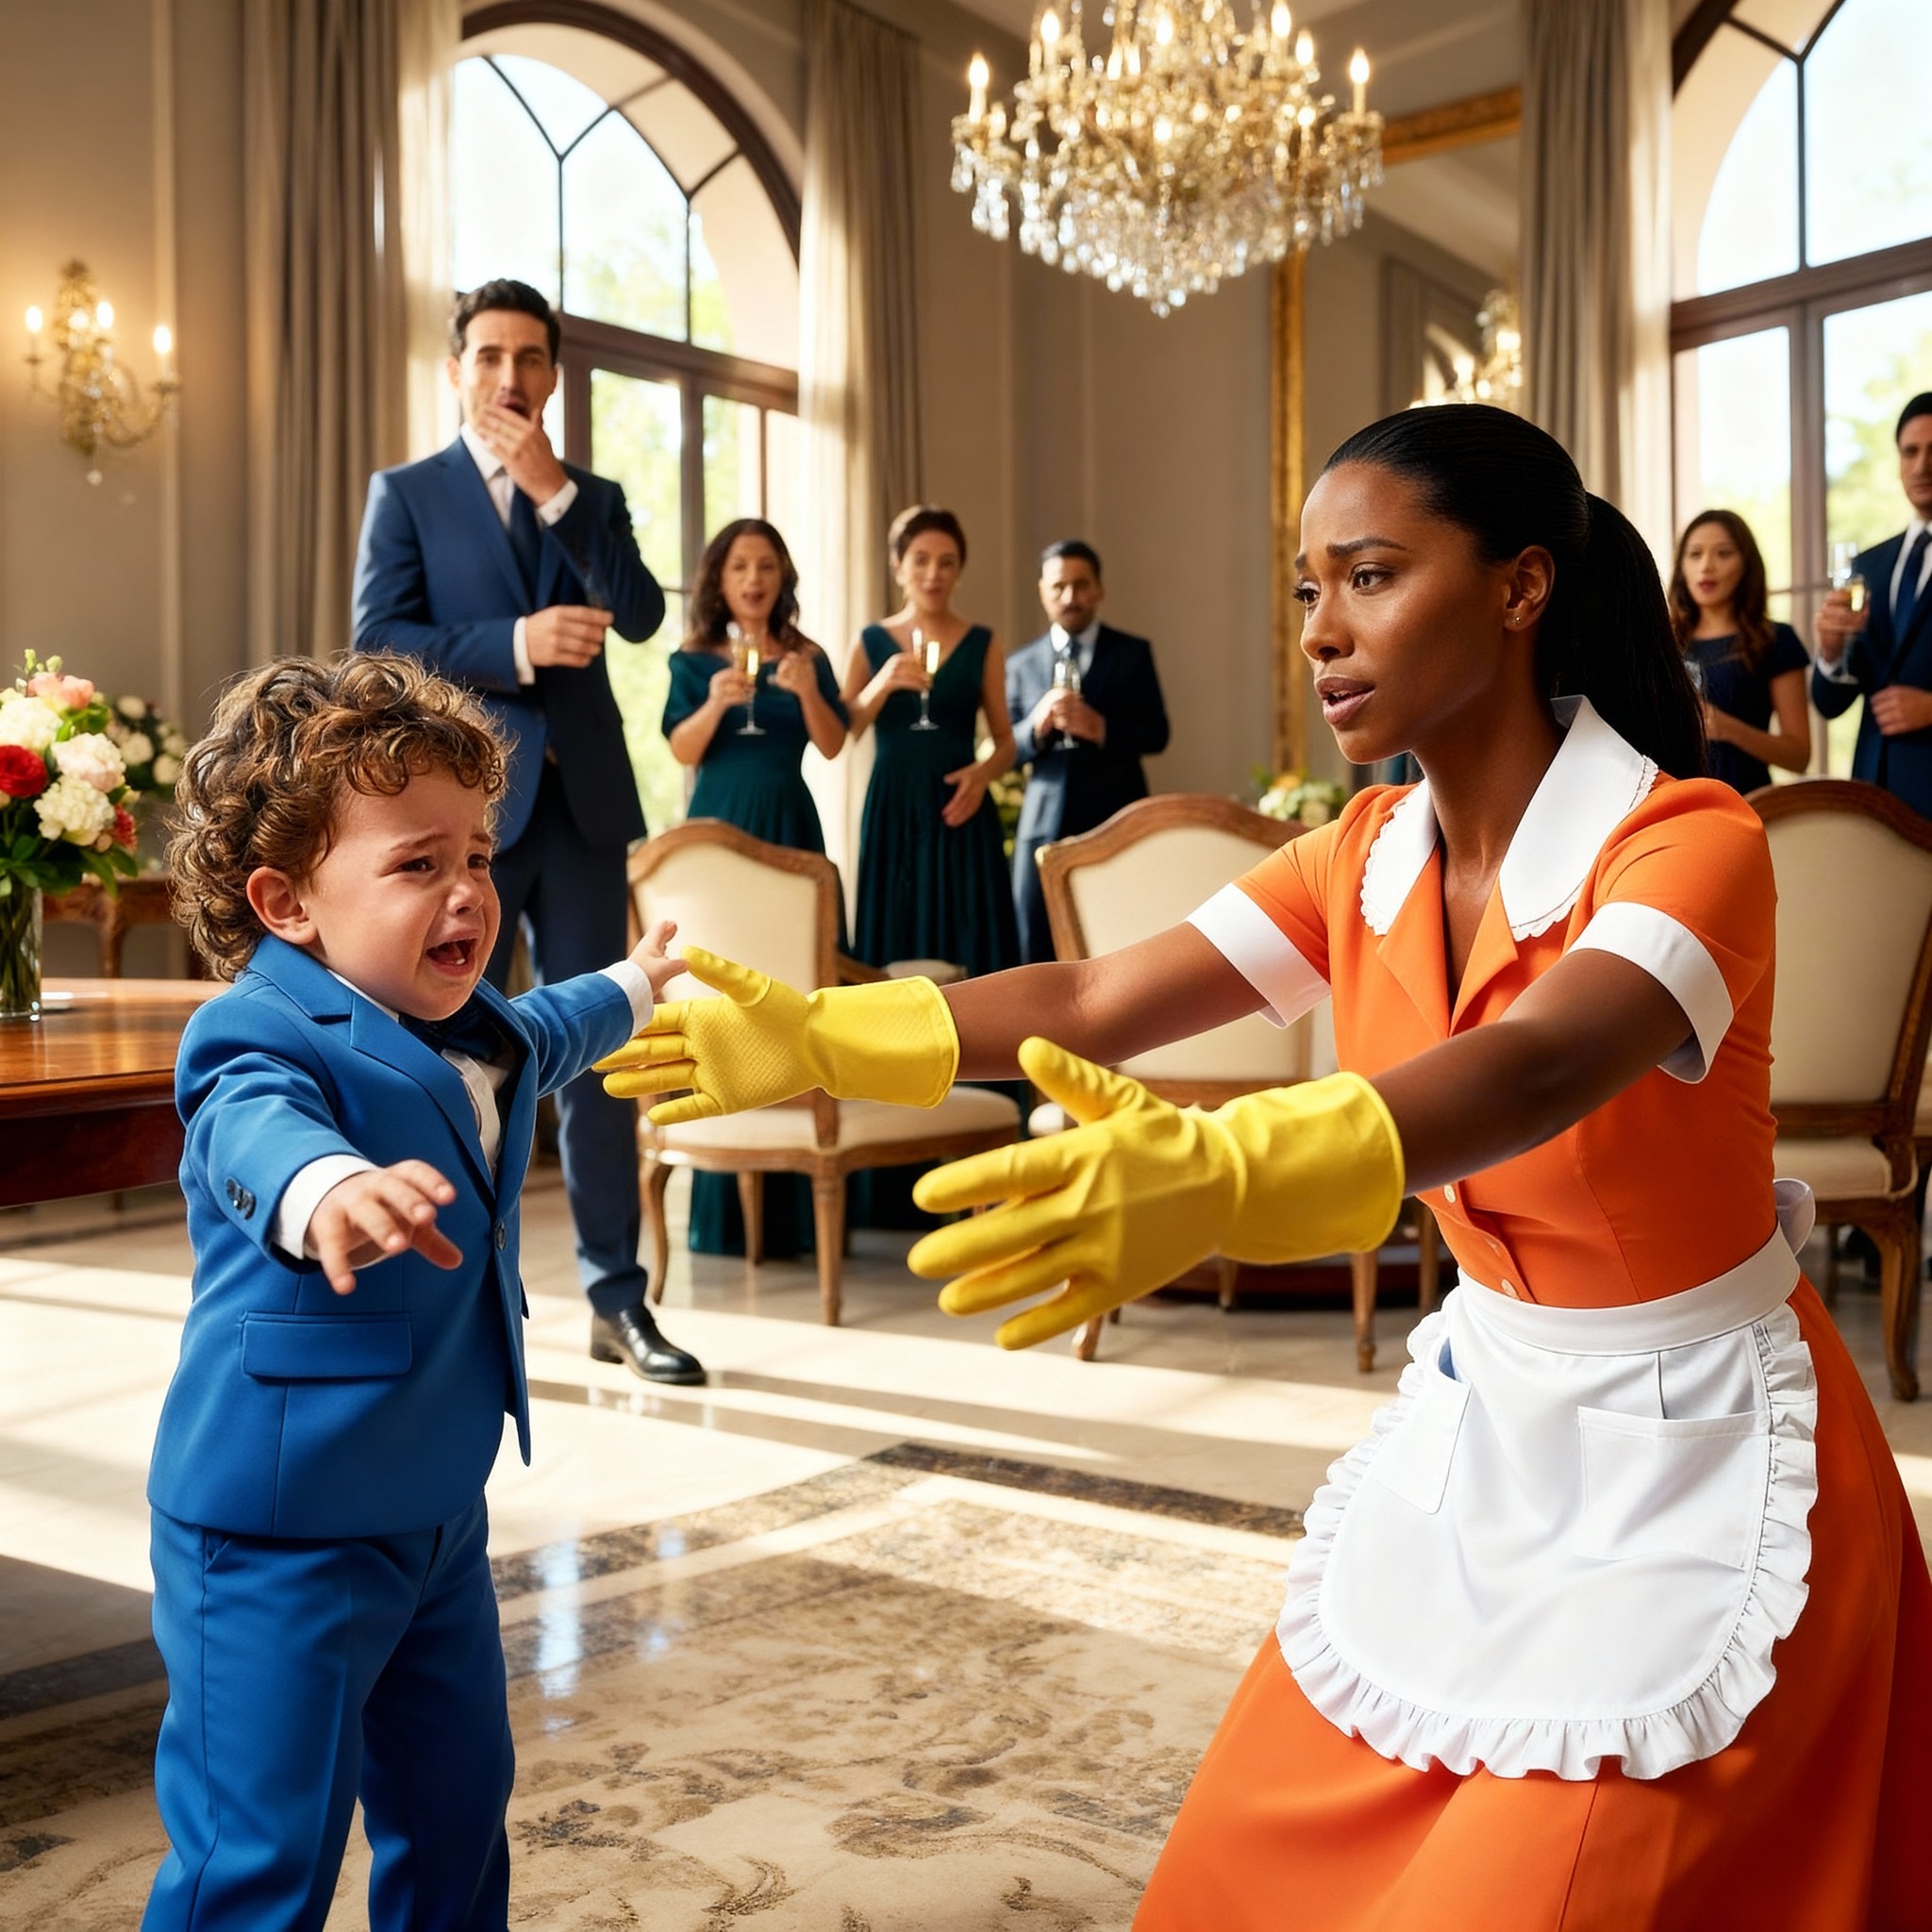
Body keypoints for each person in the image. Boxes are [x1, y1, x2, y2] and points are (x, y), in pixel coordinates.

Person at [602, 406, 1932, 1929]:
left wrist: (1232, 1167)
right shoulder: (1358, 852)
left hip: (1693, 1456)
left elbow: (1541, 1063)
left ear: (1519, 586)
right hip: (1491, 1426)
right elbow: (1096, 993)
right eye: (1308, 589)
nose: (1320, 632)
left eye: (1369, 575)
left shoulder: (1688, 840)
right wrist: (828, 1036)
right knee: (1229, 1880)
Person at [143, 655, 687, 1931]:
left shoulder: (475, 1021)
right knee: (259, 1856)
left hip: (436, 1505)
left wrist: (636, 984)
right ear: (286, 902)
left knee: (454, 1808)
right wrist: (328, 1187)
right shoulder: (255, 1031)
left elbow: (548, 1029)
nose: (468, 892)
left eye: (479, 856)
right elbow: (253, 1126)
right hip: (280, 1524)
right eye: (418, 863)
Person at [351, 276, 701, 1386]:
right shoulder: (406, 493)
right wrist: (515, 640)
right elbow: (377, 640)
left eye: (531, 357)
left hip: (586, 809)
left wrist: (555, 493)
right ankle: (450, 1292)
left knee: (601, 1043)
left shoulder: (592, 495)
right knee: (446, 1047)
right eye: (490, 355)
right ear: (457, 368)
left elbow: (640, 613)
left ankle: (616, 1296)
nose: (510, 376)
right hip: (461, 823)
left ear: (553, 374)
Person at [664, 518, 847, 1257]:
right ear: (720, 579)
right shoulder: (691, 660)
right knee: (724, 994)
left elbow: (833, 743)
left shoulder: (808, 657)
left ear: (782, 577)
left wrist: (806, 692)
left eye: (766, 565)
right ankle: (723, 1211)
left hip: (791, 824)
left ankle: (801, 1208)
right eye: (739, 566)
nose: (753, 579)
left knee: (796, 993)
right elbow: (681, 749)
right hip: (718, 825)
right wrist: (714, 702)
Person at [841, 505, 1020, 978]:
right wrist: (882, 683)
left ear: (959, 571)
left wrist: (981, 775)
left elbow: (1006, 741)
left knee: (973, 945)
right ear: (898, 566)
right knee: (891, 948)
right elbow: (844, 730)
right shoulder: (869, 641)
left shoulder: (984, 643)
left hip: (960, 808)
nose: (933, 573)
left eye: (946, 562)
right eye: (920, 560)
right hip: (893, 807)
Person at [1006, 541, 1171, 962]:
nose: (1070, 597)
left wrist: (1102, 729)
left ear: (1099, 590)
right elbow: (1007, 750)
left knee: (1121, 938)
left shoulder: (1132, 653)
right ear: (1042, 592)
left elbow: (1157, 734)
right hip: (1041, 826)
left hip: (1116, 819)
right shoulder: (1020, 664)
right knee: (1035, 946)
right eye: (1058, 587)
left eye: (1081, 585)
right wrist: (1036, 726)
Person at [1812, 391, 1932, 817]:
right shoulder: (1869, 565)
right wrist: (1830, 654)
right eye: (1910, 452)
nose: (1922, 466)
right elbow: (1829, 704)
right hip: (1873, 797)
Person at [1667, 508, 1809, 793]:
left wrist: (1728, 728)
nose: (1706, 566)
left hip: (1748, 800)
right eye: (1695, 554)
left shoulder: (1776, 640)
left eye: (1723, 553)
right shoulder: (1666, 642)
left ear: (1746, 565)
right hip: (1678, 801)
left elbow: (1799, 756)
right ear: (1682, 567)